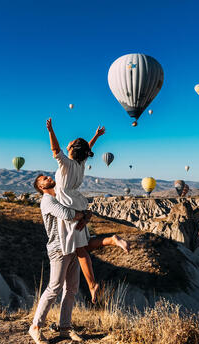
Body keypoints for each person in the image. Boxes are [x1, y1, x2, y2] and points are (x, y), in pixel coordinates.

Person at [46, 118, 130, 304]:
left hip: (68, 206)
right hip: (78, 204)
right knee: (83, 245)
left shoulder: (66, 164)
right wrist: (96, 137)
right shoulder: (80, 164)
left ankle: (92, 285)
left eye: (69, 144)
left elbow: (55, 149)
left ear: (71, 150)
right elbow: (87, 148)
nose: (66, 145)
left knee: (80, 249)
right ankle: (111, 240)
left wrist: (51, 130)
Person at [29, 174, 86, 343]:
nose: (48, 177)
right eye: (43, 179)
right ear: (41, 187)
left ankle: (65, 328)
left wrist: (82, 213)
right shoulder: (47, 200)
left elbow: (80, 208)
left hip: (73, 246)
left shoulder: (61, 197)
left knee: (71, 289)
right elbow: (67, 214)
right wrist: (82, 214)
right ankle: (36, 327)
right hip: (58, 249)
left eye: (47, 176)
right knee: (54, 287)